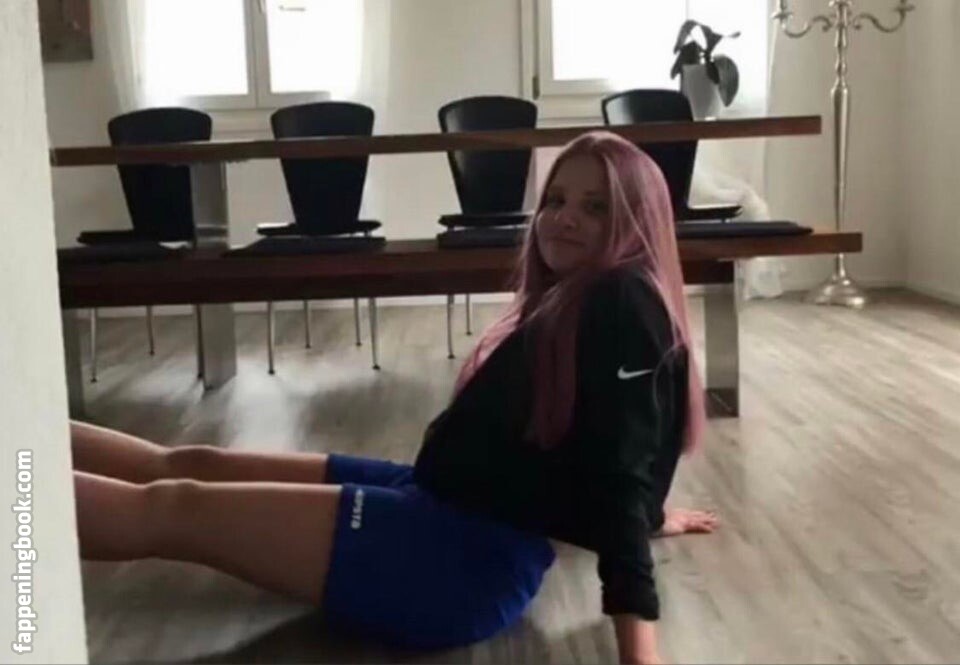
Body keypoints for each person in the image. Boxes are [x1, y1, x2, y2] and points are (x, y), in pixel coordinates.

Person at [71, 130, 718, 665]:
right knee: (191, 463)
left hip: (454, 564)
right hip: (440, 504)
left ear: (636, 223)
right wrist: (652, 513)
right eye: (557, 199)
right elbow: (616, 444)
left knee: (173, 507)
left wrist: (639, 650)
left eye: (596, 207)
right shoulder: (589, 297)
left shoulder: (621, 300)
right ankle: (25, 423)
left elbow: (617, 474)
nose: (565, 217)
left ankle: (20, 488)